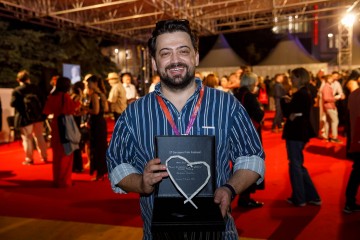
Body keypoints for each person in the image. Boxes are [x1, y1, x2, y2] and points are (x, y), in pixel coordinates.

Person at [106, 19, 265, 239]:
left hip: (217, 234)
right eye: (165, 53)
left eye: (183, 51)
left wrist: (229, 189)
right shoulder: (134, 114)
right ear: (154, 62)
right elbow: (117, 164)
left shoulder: (227, 105)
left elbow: (252, 157)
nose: (175, 60)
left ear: (195, 56)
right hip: (159, 235)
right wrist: (141, 183)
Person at [281, 67, 321, 207]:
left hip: (296, 133)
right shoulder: (304, 93)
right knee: (298, 165)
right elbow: (292, 114)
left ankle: (300, 198)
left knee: (295, 166)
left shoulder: (301, 94)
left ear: (300, 77)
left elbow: (288, 113)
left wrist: (284, 102)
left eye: (293, 77)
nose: (291, 80)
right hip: (299, 133)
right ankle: (312, 196)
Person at [233, 72, 265, 208]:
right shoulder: (249, 96)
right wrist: (261, 110)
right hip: (250, 133)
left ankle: (243, 196)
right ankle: (245, 198)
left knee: (240, 163)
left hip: (238, 132)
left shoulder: (237, 94)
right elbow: (258, 114)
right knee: (251, 163)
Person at [43, 77, 81, 187]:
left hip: (55, 125)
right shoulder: (64, 96)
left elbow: (47, 110)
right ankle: (64, 181)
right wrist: (77, 102)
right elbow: (70, 109)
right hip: (65, 124)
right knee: (67, 153)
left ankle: (56, 179)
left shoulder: (52, 96)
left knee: (56, 155)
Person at [10, 70, 48, 165]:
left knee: (27, 138)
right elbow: (44, 101)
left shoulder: (17, 90)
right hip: (38, 117)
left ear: (18, 79)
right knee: (39, 137)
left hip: (24, 118)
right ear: (28, 78)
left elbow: (12, 103)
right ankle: (44, 157)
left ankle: (29, 159)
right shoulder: (36, 89)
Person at [86, 75, 109, 181]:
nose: (88, 85)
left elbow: (95, 111)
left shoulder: (95, 95)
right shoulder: (102, 94)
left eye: (89, 83)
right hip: (102, 122)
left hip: (96, 122)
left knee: (96, 147)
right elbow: (107, 108)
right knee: (102, 147)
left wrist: (85, 108)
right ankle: (103, 171)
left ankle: (99, 173)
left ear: (94, 83)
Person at [343, 77, 360, 213]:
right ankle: (349, 202)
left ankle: (350, 201)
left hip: (355, 138)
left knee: (357, 172)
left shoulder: (353, 95)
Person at [321, 74, 342, 143]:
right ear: (327, 79)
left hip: (328, 106)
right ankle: (334, 137)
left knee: (328, 121)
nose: (332, 79)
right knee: (335, 121)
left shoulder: (326, 86)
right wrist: (334, 98)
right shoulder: (327, 87)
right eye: (330, 78)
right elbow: (326, 98)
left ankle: (327, 137)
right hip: (329, 106)